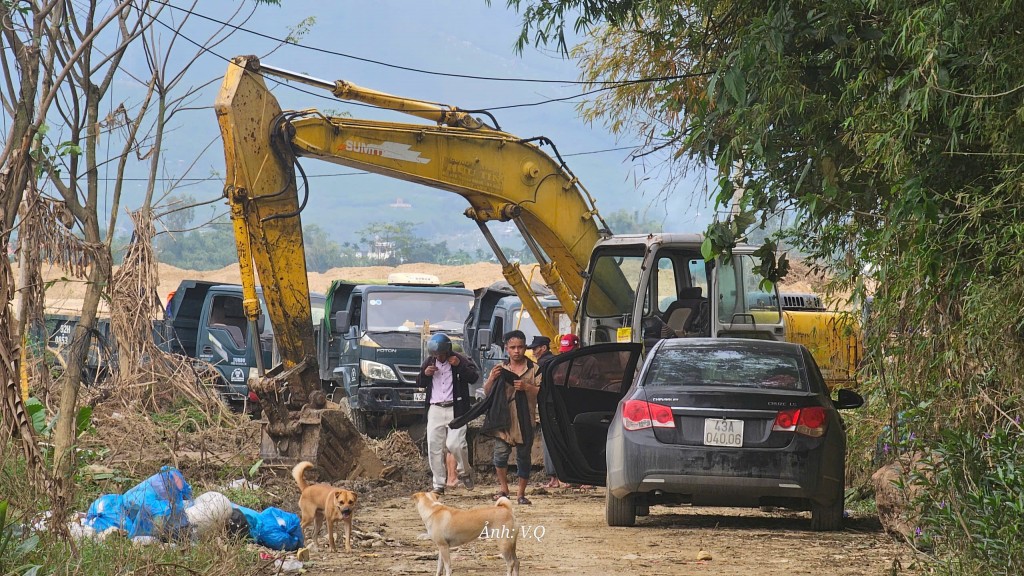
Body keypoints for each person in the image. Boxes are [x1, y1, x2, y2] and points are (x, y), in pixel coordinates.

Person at [418, 333, 480, 495]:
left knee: (456, 444)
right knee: (434, 446)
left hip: (456, 408)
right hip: (435, 408)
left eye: (441, 354)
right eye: (436, 355)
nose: (439, 357)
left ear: (448, 351)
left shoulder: (459, 360)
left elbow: (473, 378)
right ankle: (438, 483)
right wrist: (426, 374)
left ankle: (464, 470)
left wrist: (460, 365)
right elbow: (419, 382)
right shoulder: (429, 362)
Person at [528, 335, 564, 489]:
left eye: (535, 349)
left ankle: (556, 478)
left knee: (550, 442)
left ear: (543, 348)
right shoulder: (556, 362)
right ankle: (558, 477)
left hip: (549, 408)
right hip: (556, 407)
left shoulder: (543, 364)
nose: (533, 352)